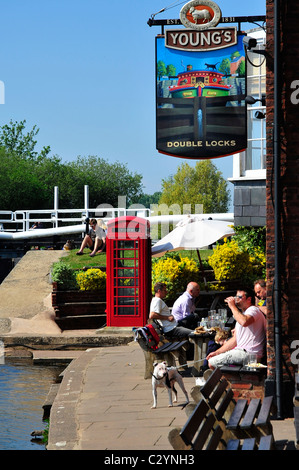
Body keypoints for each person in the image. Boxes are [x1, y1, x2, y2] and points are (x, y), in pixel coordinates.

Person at [207, 287, 266, 369]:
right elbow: (235, 340)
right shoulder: (243, 314)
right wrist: (217, 352)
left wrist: (232, 307)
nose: (236, 299)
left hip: (249, 354)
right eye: (236, 296)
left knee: (212, 362)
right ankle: (230, 381)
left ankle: (227, 381)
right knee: (213, 360)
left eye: (240, 297)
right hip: (242, 353)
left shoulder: (253, 310)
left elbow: (244, 322)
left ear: (249, 299)